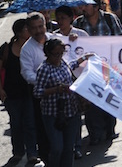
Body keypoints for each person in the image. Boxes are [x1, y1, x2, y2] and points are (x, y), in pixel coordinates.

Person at [73, 0, 122, 144]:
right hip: (87, 69)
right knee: (91, 101)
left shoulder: (110, 19)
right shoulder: (79, 23)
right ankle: (95, 134)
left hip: (108, 68)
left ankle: (109, 130)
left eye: (87, 5)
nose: (83, 8)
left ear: (96, 7)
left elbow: (121, 39)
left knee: (108, 100)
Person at [33, 38, 87, 167]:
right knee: (57, 148)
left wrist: (84, 58)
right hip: (52, 114)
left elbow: (71, 65)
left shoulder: (63, 63)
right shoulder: (44, 69)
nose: (58, 57)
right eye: (55, 54)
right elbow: (37, 92)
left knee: (69, 148)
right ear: (48, 53)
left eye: (60, 53)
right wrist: (56, 89)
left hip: (71, 111)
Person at [0, 19, 40, 165]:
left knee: (30, 123)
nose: (31, 31)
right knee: (16, 123)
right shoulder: (6, 48)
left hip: (28, 92)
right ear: (19, 32)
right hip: (11, 93)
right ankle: (18, 151)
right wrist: (0, 89)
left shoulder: (33, 47)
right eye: (28, 29)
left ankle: (32, 152)